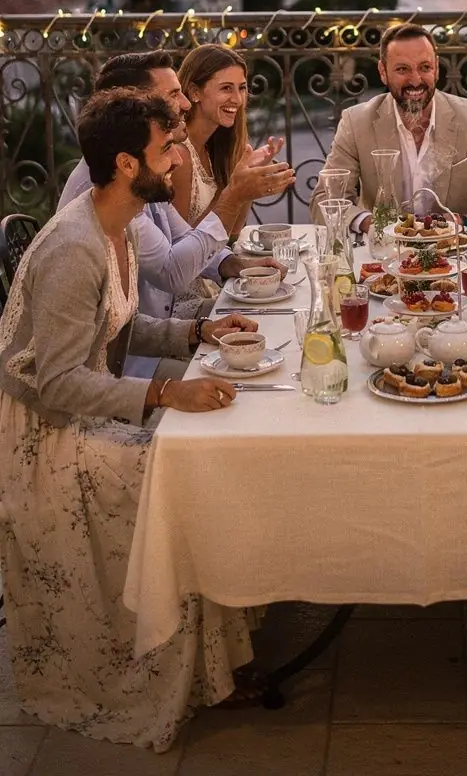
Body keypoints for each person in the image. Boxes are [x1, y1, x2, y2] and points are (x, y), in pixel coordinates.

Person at [0, 89, 262, 750]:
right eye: (166, 149)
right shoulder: (73, 249)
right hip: (46, 439)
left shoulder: (110, 226)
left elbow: (115, 331)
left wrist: (199, 329)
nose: (178, 161)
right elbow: (58, 381)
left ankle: (227, 650)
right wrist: (167, 397)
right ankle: (172, 672)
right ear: (124, 164)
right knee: (188, 481)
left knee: (217, 438)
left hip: (84, 410)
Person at [58, 51, 288, 376]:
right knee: (245, 378)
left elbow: (182, 235)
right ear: (135, 107)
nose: (184, 104)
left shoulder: (146, 165)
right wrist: (234, 196)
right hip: (126, 367)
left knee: (275, 325)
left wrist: (235, 264)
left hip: (154, 332)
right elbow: (171, 272)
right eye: (173, 94)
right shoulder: (112, 182)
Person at [309, 22, 467, 228]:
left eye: (425, 67)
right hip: (384, 255)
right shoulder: (356, 122)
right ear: (383, 71)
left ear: (436, 68)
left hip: (455, 251)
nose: (416, 80)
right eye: (402, 69)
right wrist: (373, 225)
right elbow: (323, 201)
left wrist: (461, 222)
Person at [174, 46, 294, 235]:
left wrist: (246, 179)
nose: (237, 99)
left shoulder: (213, 145)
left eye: (242, 88)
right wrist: (235, 190)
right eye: (226, 88)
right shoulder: (179, 156)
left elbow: (232, 232)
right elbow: (184, 247)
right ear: (194, 92)